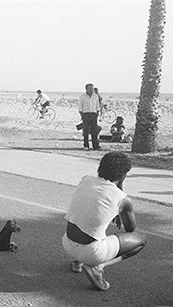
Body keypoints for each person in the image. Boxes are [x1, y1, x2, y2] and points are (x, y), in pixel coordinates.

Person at [62, 152, 147, 291]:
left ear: (99, 168)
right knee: (141, 239)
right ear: (123, 176)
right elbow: (131, 230)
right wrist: (121, 209)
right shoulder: (123, 200)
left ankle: (78, 262)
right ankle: (97, 267)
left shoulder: (85, 179)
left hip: (67, 243)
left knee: (87, 222)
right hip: (91, 253)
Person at [78, 83, 101, 150]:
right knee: (86, 131)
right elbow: (80, 107)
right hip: (86, 114)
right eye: (90, 88)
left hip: (93, 114)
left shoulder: (95, 96)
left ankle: (95, 145)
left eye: (92, 88)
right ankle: (86, 145)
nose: (91, 90)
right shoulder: (82, 96)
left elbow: (97, 106)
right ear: (86, 89)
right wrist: (82, 115)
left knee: (94, 131)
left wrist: (97, 114)